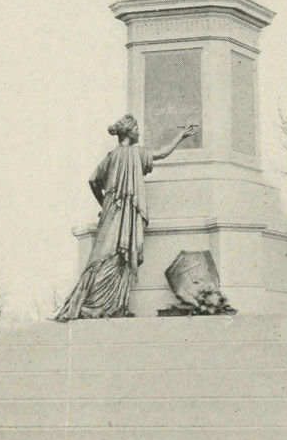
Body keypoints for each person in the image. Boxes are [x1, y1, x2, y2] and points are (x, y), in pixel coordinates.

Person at [53, 115, 196, 320]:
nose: (139, 132)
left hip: (112, 210)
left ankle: (105, 305)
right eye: (136, 129)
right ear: (129, 132)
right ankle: (100, 305)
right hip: (126, 211)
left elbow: (93, 181)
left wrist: (104, 203)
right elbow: (162, 154)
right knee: (118, 254)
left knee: (107, 254)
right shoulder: (136, 154)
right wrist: (180, 136)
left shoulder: (111, 157)